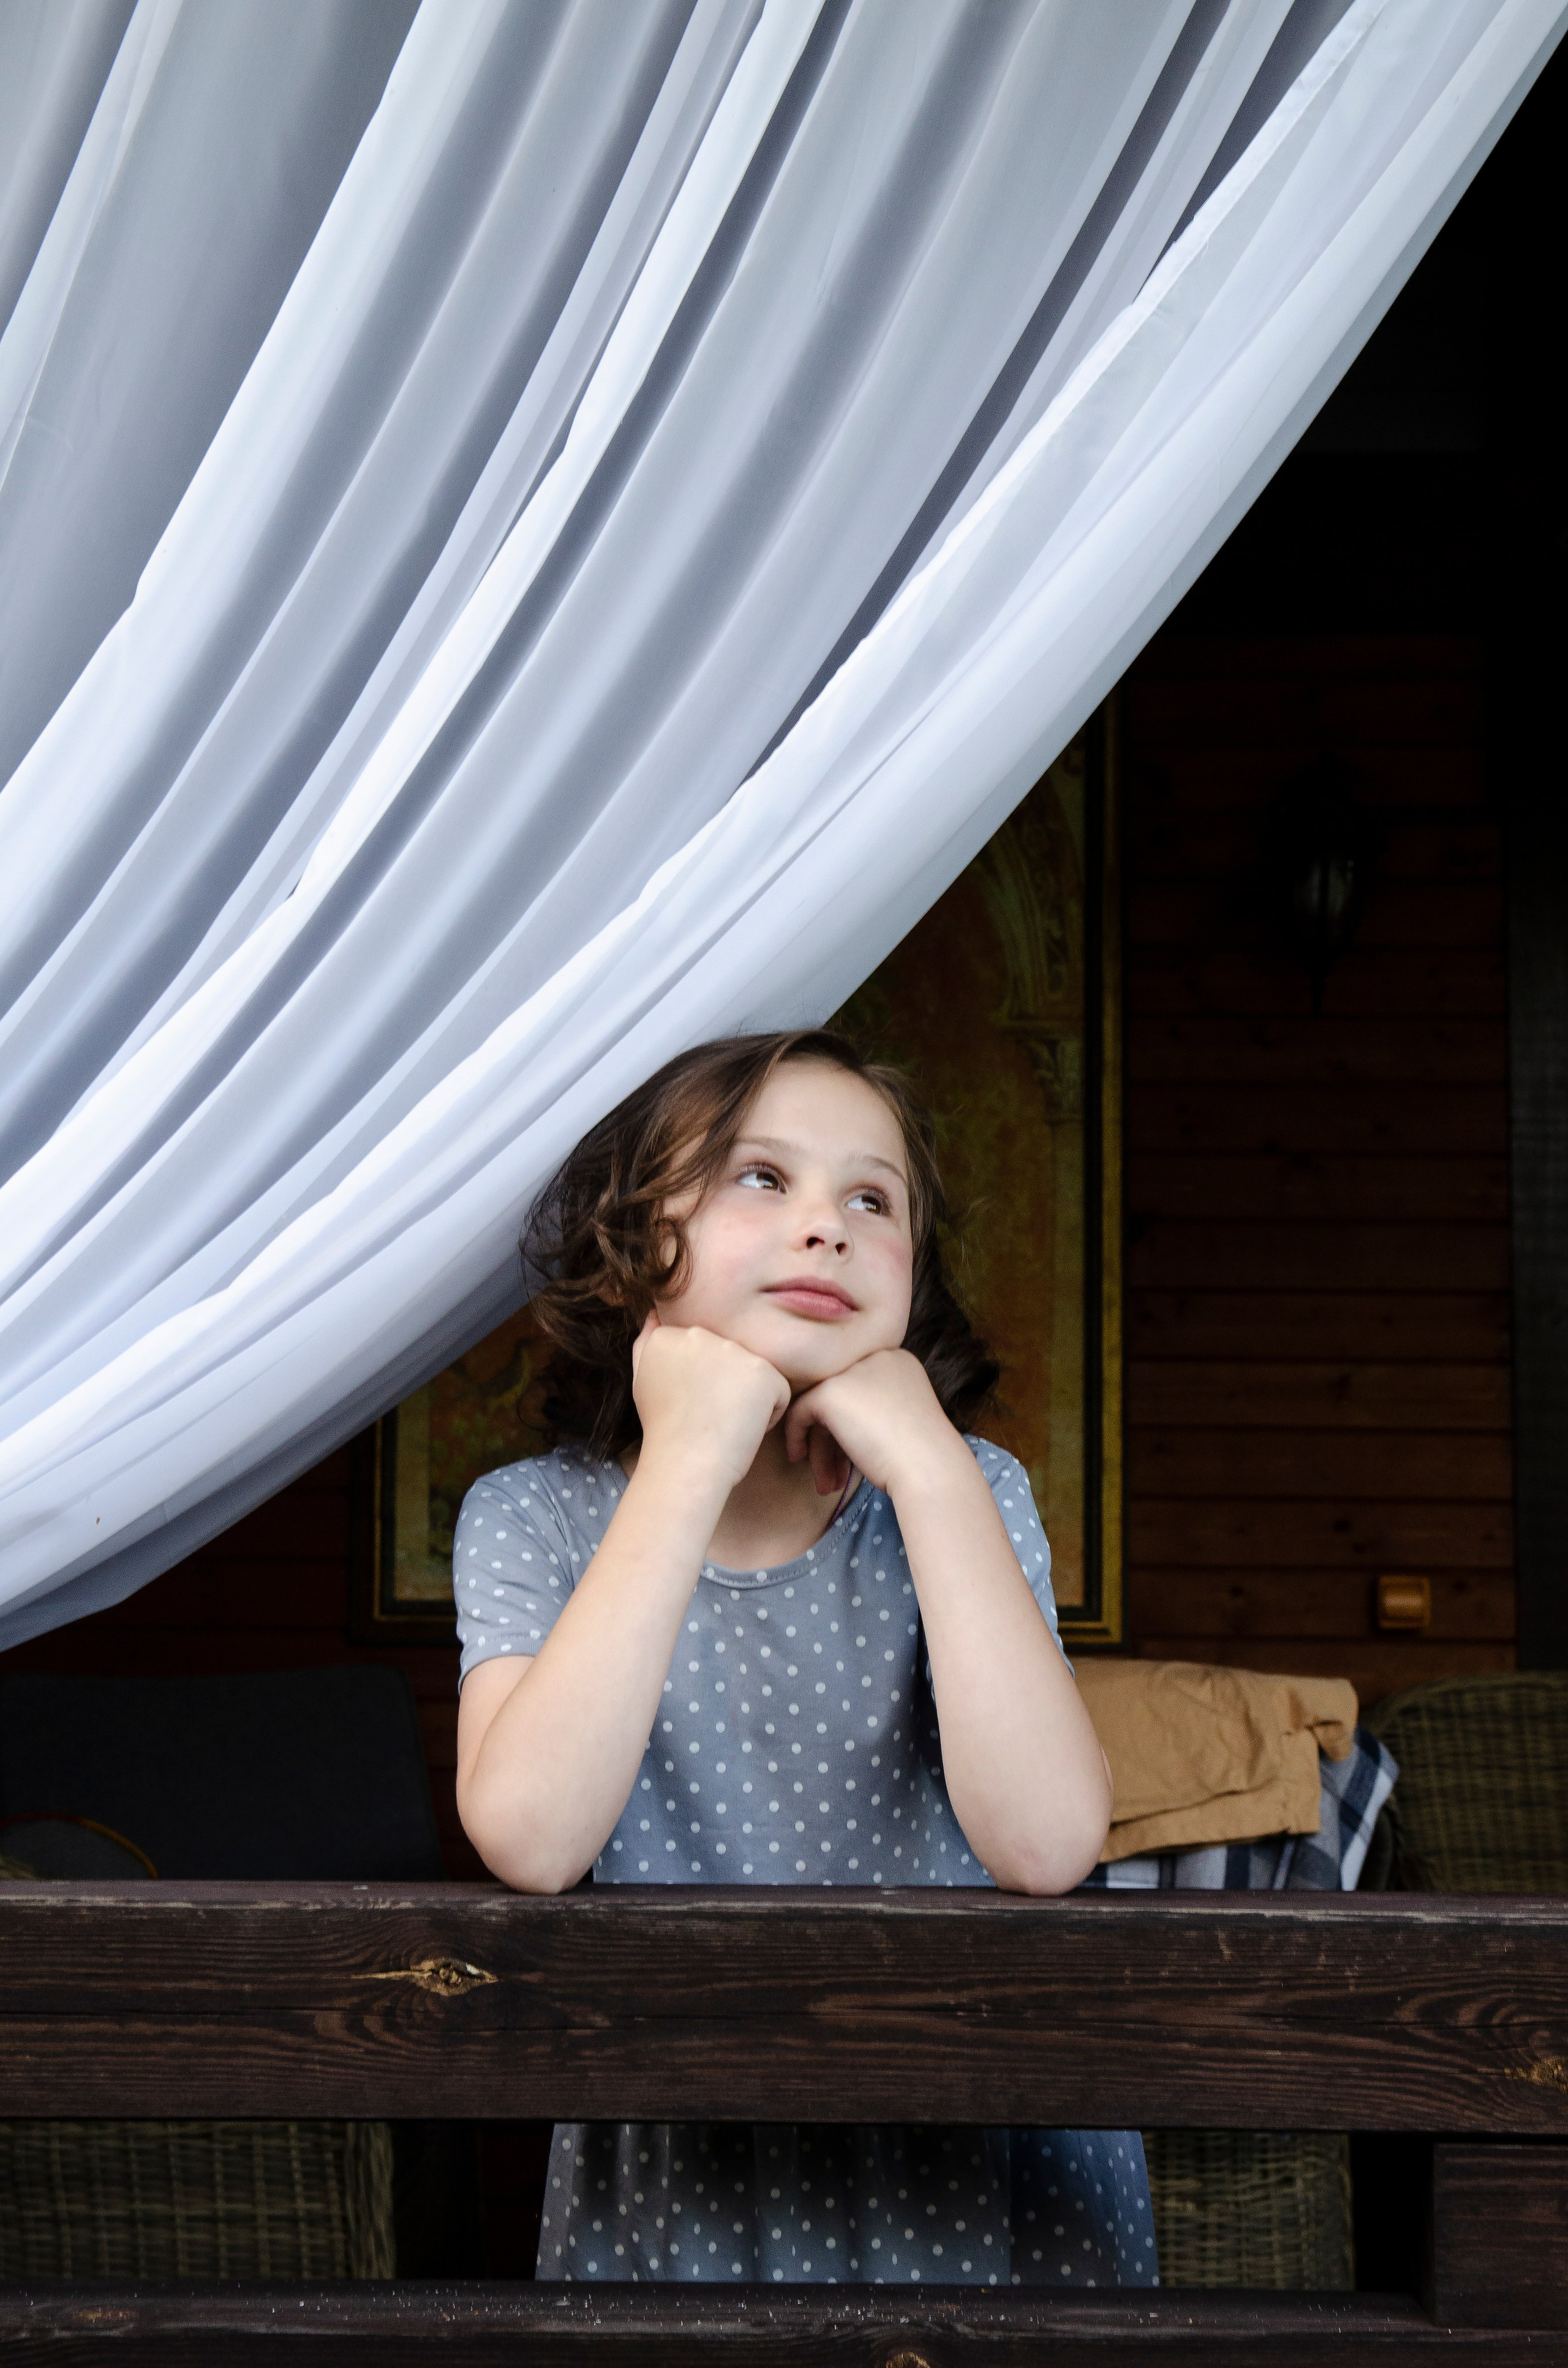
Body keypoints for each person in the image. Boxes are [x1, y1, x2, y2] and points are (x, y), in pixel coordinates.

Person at [454, 1029, 1158, 2287]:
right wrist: (686, 1458)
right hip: (684, 2173)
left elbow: (1048, 1843)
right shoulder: (533, 1516)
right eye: (762, 1177)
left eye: (872, 1200)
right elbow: (532, 1837)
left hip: (974, 2163)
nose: (825, 1225)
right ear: (636, 1248)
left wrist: (930, 1465)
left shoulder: (969, 1490)